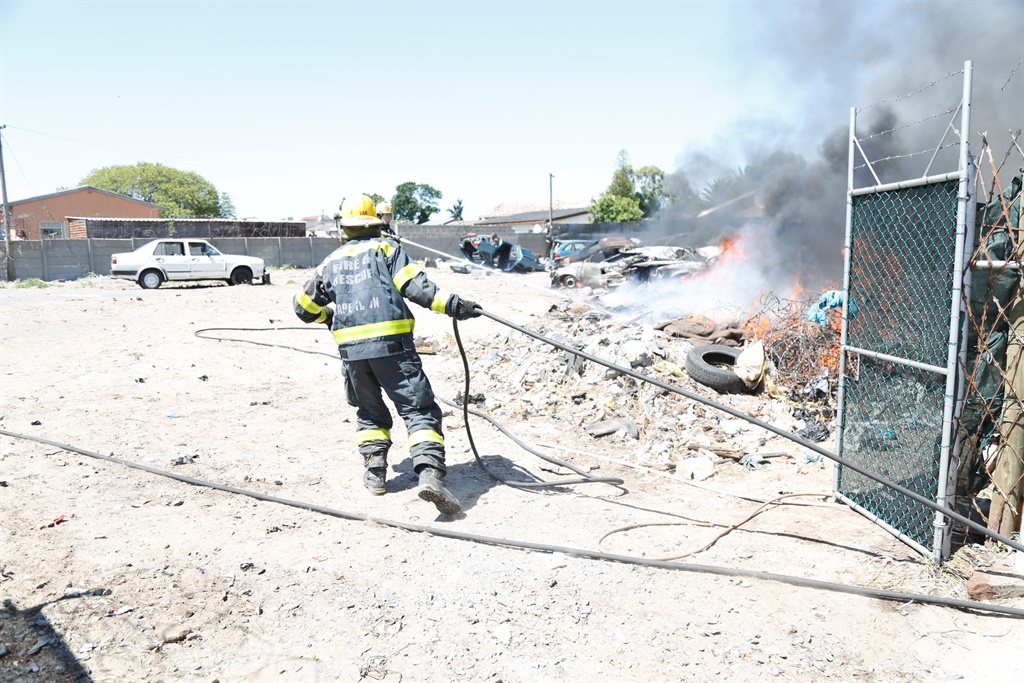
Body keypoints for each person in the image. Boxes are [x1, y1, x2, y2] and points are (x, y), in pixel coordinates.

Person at [293, 194, 482, 515]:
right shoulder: (387, 249)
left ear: (344, 228)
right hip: (393, 349)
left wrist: (329, 317)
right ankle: (429, 474)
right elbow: (416, 288)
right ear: (375, 223)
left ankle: (375, 473)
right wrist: (456, 305)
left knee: (369, 412)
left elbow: (303, 308)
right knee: (418, 409)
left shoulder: (330, 263)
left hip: (352, 354)